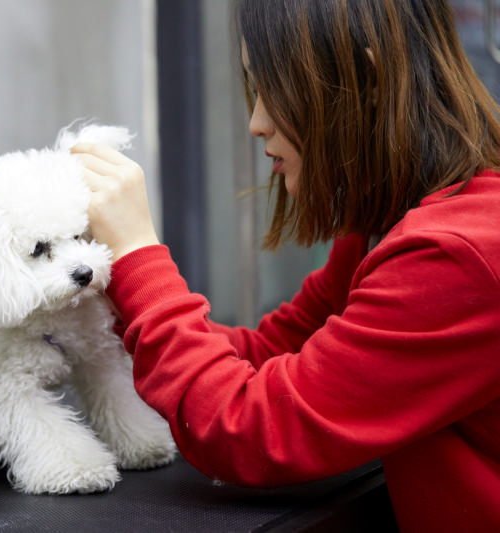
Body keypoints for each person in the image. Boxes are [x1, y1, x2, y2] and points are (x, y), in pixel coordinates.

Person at [71, 1, 500, 531]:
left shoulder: (455, 256)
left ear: (363, 79)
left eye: (272, 88)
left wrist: (139, 256)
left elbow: (253, 428)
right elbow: (270, 351)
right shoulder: (390, 225)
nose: (256, 122)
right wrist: (102, 291)